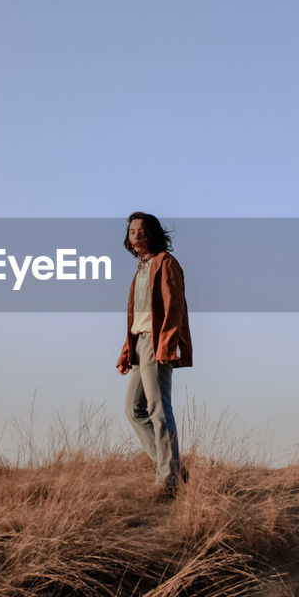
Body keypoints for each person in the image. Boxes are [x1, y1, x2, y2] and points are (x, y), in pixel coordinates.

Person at [116, 212, 192, 496]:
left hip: (156, 343)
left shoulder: (167, 263)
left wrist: (167, 344)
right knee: (134, 411)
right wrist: (127, 351)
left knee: (159, 412)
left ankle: (168, 481)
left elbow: (174, 307)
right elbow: (137, 316)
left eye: (140, 230)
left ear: (152, 233)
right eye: (131, 231)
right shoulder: (141, 271)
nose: (135, 235)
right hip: (139, 344)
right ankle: (171, 467)